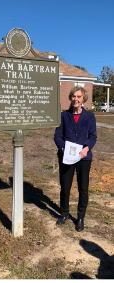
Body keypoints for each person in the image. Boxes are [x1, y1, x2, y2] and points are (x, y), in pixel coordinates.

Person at [54, 86, 97, 232]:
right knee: (65, 187)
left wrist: (86, 149)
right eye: (73, 96)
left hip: (84, 158)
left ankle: (80, 218)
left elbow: (93, 136)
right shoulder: (64, 116)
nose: (75, 99)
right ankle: (64, 213)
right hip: (66, 157)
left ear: (83, 98)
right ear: (70, 98)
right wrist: (62, 148)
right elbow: (57, 136)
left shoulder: (89, 116)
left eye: (78, 96)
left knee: (83, 188)